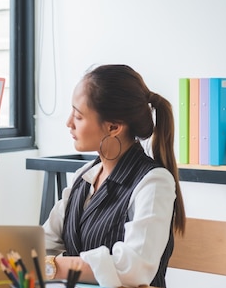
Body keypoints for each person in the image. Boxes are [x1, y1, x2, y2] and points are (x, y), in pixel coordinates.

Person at [42, 64, 186, 288]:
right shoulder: (84, 176)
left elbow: (132, 269)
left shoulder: (154, 182)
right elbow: (44, 242)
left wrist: (54, 267)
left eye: (78, 116)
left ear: (113, 127)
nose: (68, 122)